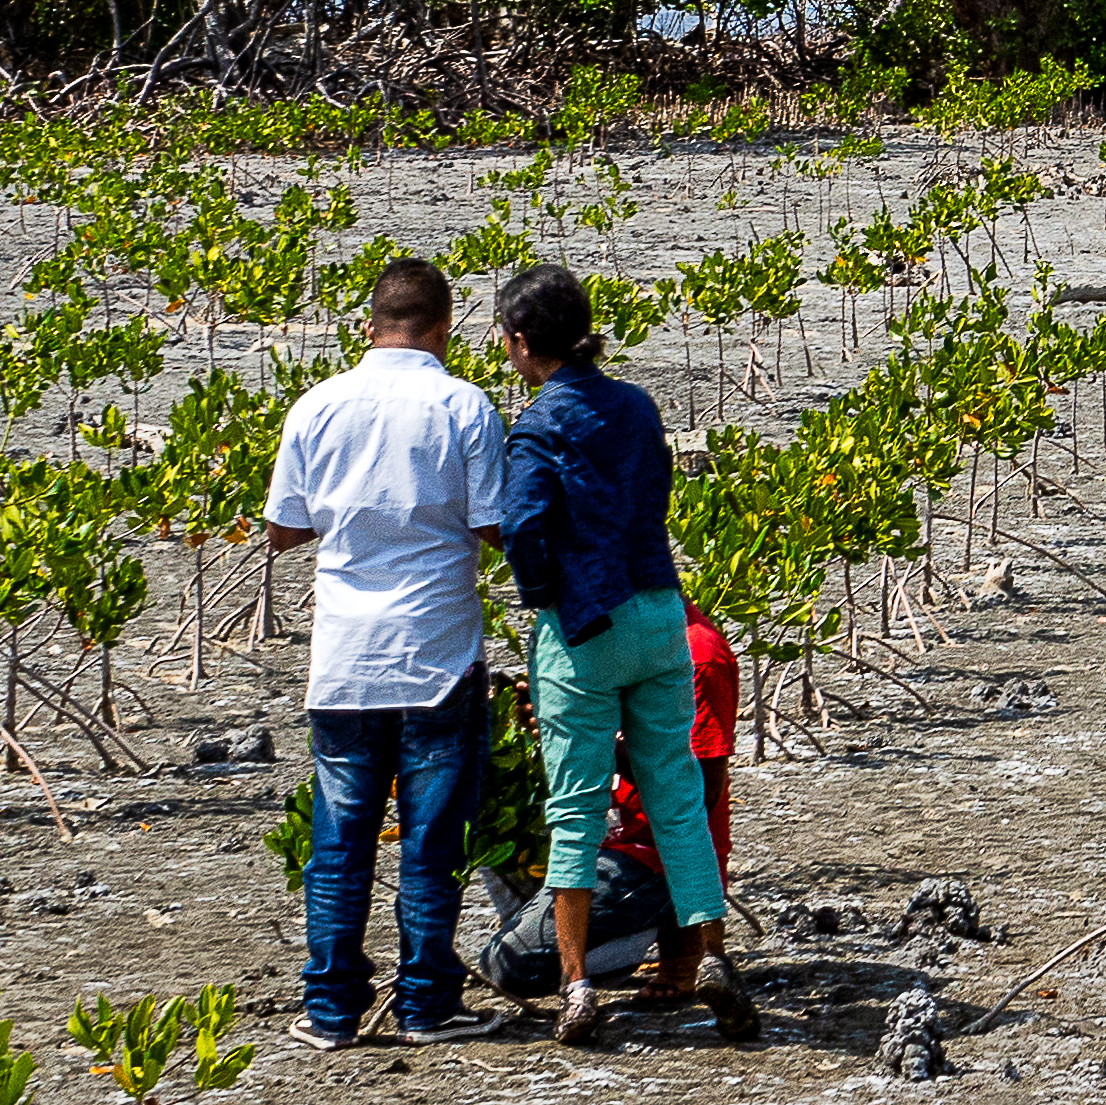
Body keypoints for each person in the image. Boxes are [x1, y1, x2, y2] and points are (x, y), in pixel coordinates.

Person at [493, 264, 756, 1049]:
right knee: (677, 796)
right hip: (659, 610)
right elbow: (654, 501)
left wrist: (548, 599)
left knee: (574, 808)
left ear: (519, 342)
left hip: (586, 627)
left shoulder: (540, 422)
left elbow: (523, 525)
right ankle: (709, 956)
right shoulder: (638, 407)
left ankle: (576, 989)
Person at [263, 255, 513, 1051]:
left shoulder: (316, 405)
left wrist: (352, 516)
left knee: (337, 846)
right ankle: (425, 1006)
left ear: (368, 328)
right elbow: (491, 526)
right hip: (438, 653)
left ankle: (332, 1014)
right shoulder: (463, 404)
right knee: (432, 846)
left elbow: (281, 530)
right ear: (444, 329)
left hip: (344, 659)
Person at [477, 599, 742, 1002]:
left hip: (658, 858)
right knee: (481, 817)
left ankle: (647, 943)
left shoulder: (697, 654)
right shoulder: (609, 638)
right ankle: (599, 939)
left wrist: (596, 734)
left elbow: (702, 793)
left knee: (509, 966)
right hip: (614, 840)